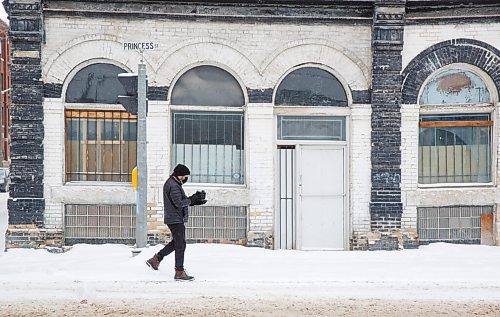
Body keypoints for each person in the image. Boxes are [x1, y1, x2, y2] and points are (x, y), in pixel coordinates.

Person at [145, 164, 207, 281]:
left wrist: (195, 200)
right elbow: (178, 203)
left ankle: (156, 260)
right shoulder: (173, 185)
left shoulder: (174, 183)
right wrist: (191, 199)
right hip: (175, 219)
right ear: (180, 175)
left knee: (176, 243)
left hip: (175, 218)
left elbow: (180, 201)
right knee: (180, 245)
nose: (185, 178)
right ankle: (179, 272)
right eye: (184, 176)